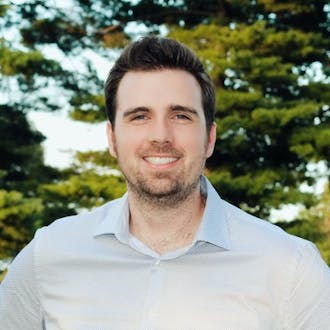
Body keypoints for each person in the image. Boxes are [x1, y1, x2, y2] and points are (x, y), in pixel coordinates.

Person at [0, 36, 329, 330]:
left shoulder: (291, 269)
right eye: (140, 116)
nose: (160, 136)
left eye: (181, 116)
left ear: (210, 138)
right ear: (113, 138)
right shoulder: (49, 255)